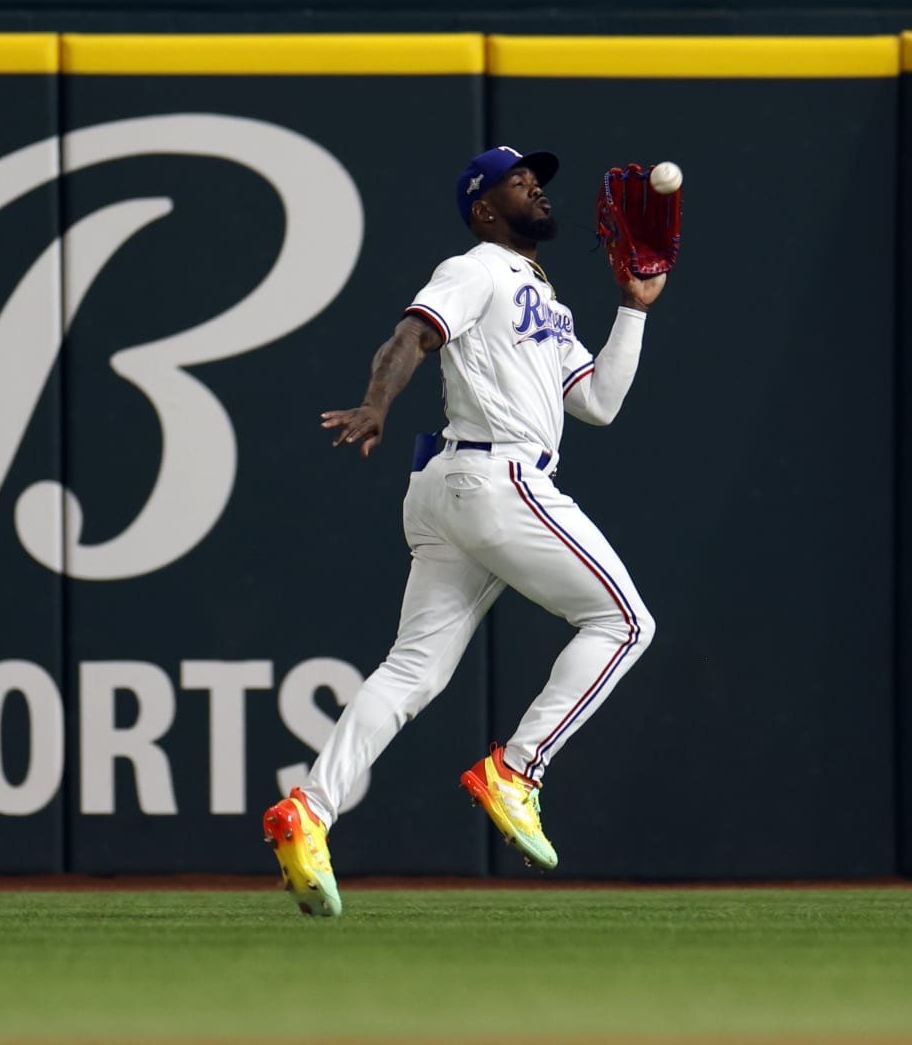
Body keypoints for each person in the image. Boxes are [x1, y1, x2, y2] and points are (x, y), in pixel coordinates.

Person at [262, 146, 667, 917]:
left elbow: (600, 403)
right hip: (499, 476)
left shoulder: (545, 297)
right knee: (625, 622)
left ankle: (309, 812)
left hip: (454, 491)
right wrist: (377, 400)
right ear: (484, 209)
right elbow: (410, 336)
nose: (536, 189)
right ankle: (517, 771)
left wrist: (634, 309)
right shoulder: (475, 266)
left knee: (412, 671)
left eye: (537, 180)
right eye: (518, 182)